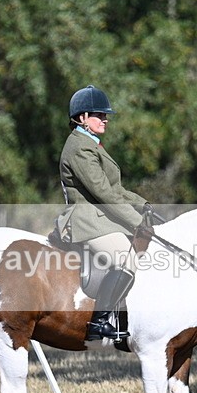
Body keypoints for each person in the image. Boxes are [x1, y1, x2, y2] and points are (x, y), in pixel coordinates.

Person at [56, 85, 151, 341]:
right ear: (82, 117)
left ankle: (122, 326)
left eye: (105, 114)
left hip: (100, 218)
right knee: (126, 258)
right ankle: (98, 323)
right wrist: (137, 221)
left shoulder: (90, 144)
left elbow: (114, 189)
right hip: (86, 220)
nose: (105, 119)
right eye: (99, 114)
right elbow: (103, 194)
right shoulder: (80, 148)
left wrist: (143, 205)